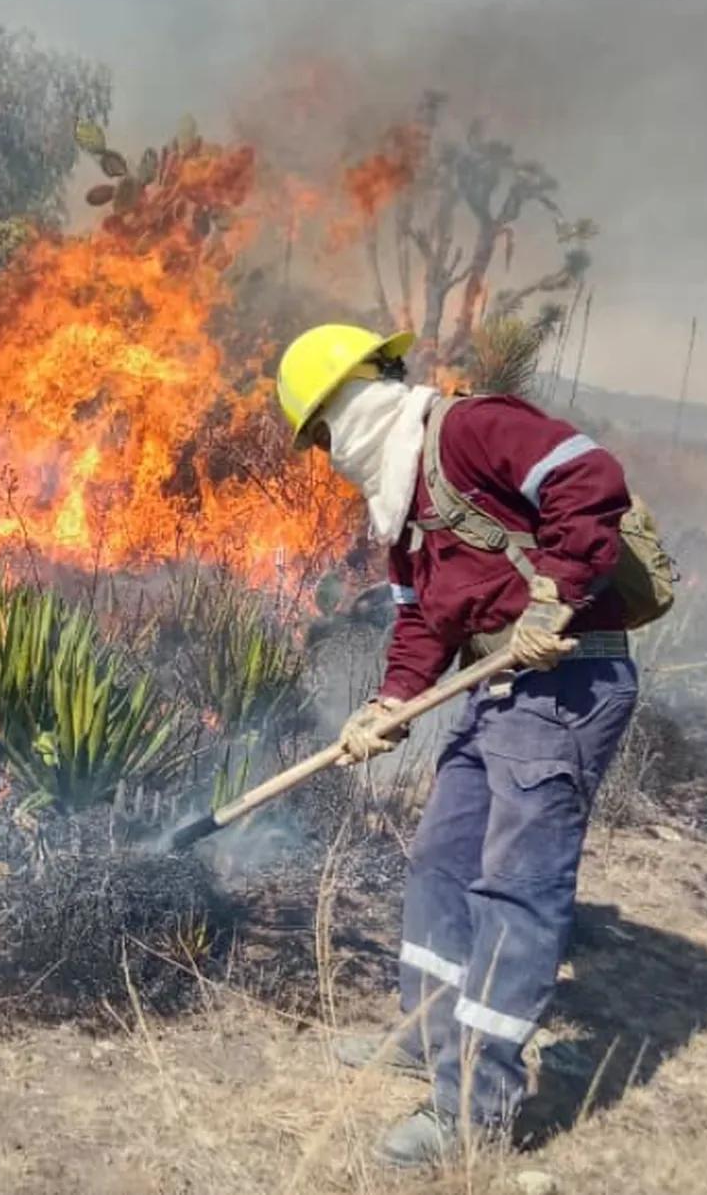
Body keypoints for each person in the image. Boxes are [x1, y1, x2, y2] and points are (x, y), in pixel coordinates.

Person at [275, 323, 640, 1169]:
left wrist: (556, 596)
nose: (327, 453)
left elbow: (590, 478)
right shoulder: (401, 508)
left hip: (567, 685)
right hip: (495, 689)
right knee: (441, 859)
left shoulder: (468, 431)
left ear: (354, 397)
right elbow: (419, 623)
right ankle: (425, 1032)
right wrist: (388, 705)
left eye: (322, 431)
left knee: (514, 891)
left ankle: (473, 1110)